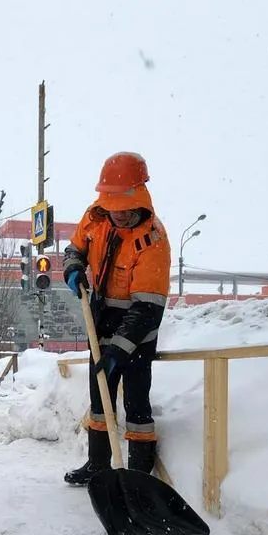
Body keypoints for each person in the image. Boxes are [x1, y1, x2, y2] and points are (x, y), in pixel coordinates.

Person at [60, 151, 171, 485]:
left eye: (124, 210)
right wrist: (74, 269)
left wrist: (119, 350)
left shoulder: (152, 240)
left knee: (136, 403)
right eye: (112, 208)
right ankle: (98, 465)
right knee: (99, 400)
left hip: (138, 330)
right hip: (101, 322)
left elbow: (148, 309)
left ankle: (138, 477)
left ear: (139, 199)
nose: (118, 216)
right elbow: (73, 249)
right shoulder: (95, 219)